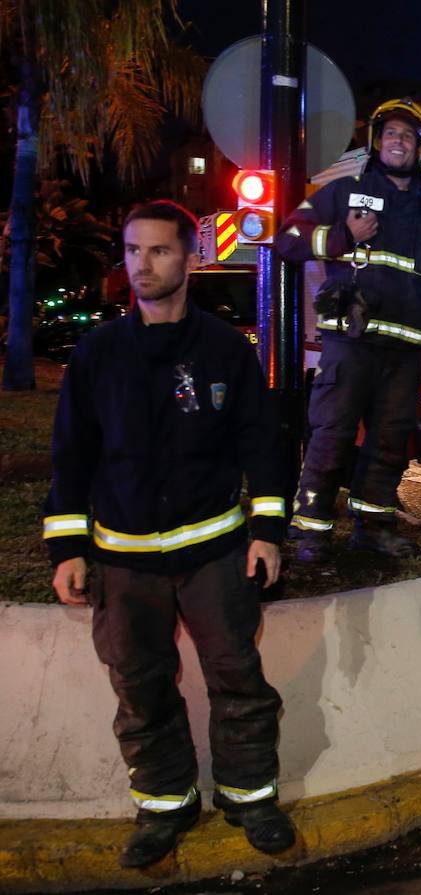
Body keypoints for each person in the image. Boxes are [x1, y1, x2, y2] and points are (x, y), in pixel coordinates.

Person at [43, 201, 293, 867]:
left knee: (237, 674)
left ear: (189, 257)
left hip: (213, 552)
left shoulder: (225, 352)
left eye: (157, 251)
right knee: (140, 682)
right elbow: (71, 455)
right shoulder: (98, 354)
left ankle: (250, 795)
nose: (142, 265)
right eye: (132, 251)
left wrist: (267, 530)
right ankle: (164, 803)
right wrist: (67, 548)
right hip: (123, 560)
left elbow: (261, 444)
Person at [276, 98, 421, 562]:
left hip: (405, 353)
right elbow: (288, 238)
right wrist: (342, 235)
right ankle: (310, 532)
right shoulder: (344, 193)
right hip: (351, 344)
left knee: (389, 441)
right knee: (331, 434)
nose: (397, 141)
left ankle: (374, 526)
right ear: (376, 142)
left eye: (407, 135)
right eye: (389, 134)